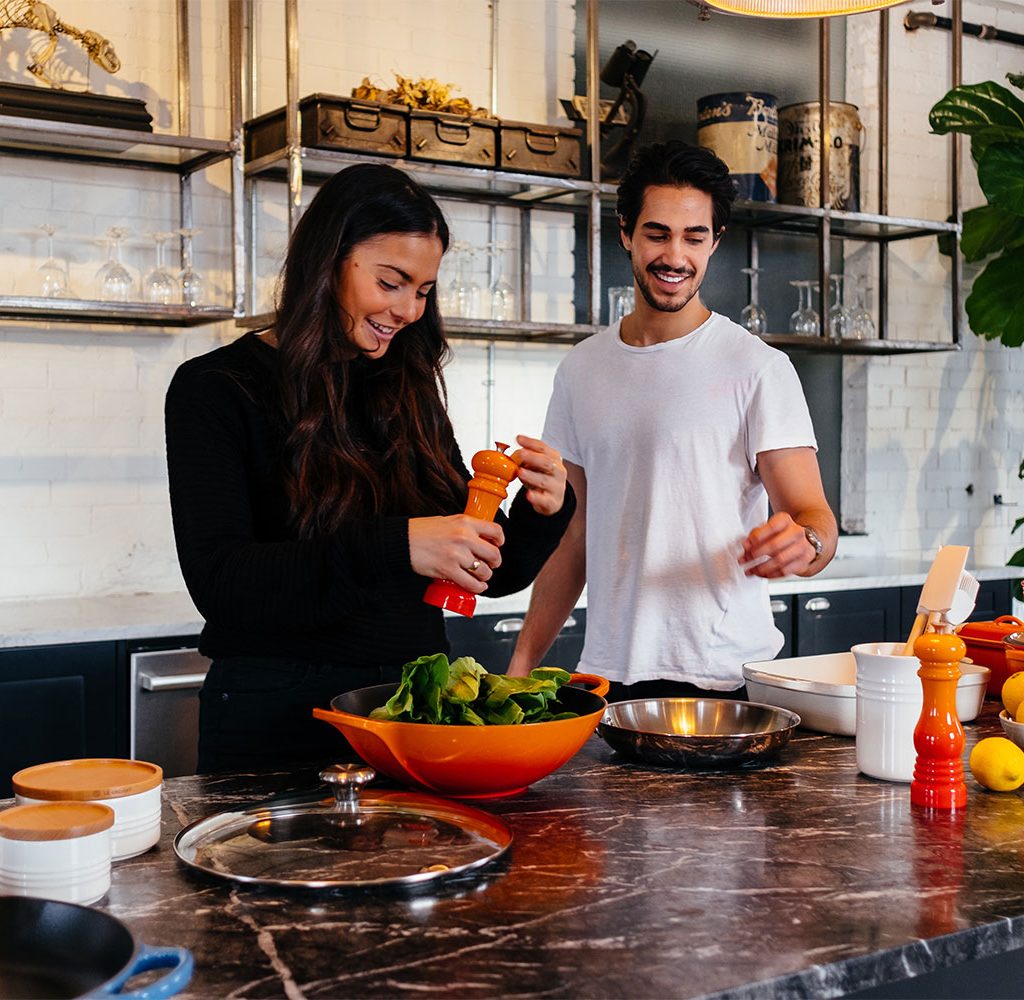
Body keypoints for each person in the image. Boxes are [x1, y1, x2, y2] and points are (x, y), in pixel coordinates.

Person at [165, 163, 574, 773]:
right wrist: (399, 546)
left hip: (412, 714)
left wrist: (542, 511)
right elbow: (223, 585)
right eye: (392, 282)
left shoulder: (407, 388)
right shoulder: (215, 388)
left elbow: (481, 574)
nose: (409, 309)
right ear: (329, 260)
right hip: (275, 724)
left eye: (424, 290)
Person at [506, 140, 837, 702]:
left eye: (694, 237)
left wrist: (804, 544)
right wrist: (519, 669)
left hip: (725, 679)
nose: (675, 256)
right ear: (626, 233)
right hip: (607, 678)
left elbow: (815, 521)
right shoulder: (582, 369)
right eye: (657, 234)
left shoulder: (758, 368)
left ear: (715, 242)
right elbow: (573, 537)